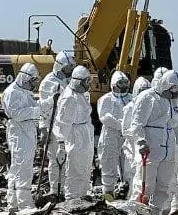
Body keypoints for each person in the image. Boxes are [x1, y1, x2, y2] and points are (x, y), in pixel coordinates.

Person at [127, 69, 178, 215]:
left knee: (164, 186)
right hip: (151, 147)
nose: (176, 93)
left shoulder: (177, 102)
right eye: (173, 89)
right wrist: (141, 140)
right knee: (144, 184)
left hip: (169, 147)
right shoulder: (148, 98)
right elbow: (137, 123)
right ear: (165, 86)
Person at [1, 62, 42, 211]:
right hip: (19, 132)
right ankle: (24, 203)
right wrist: (37, 110)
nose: (33, 84)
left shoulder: (24, 92)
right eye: (32, 81)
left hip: (26, 131)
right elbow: (16, 113)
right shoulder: (12, 92)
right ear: (25, 78)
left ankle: (13, 203)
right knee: (21, 167)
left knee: (20, 167)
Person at [53, 65, 96, 201]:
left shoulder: (81, 95)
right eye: (86, 82)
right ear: (78, 81)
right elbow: (62, 122)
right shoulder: (69, 98)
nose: (88, 85)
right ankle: (72, 200)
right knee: (75, 170)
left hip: (84, 135)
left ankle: (82, 197)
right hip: (75, 137)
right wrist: (60, 144)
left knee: (84, 169)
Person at [38, 49, 75, 196]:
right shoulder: (49, 82)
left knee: (68, 159)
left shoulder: (70, 82)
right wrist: (43, 128)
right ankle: (55, 190)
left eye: (71, 69)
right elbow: (44, 107)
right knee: (55, 159)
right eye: (67, 68)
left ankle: (66, 189)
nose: (69, 71)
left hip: (68, 126)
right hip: (54, 126)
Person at [96, 71, 132, 196]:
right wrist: (121, 125)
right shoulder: (105, 99)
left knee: (128, 163)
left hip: (127, 136)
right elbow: (105, 117)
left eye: (125, 82)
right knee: (109, 163)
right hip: (110, 135)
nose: (123, 85)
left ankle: (126, 193)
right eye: (120, 82)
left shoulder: (131, 99)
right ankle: (108, 195)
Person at [121, 76, 151, 196]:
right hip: (132, 145)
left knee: (142, 173)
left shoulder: (150, 106)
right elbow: (125, 129)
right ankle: (132, 199)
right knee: (133, 172)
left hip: (142, 143)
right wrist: (136, 136)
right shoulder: (130, 107)